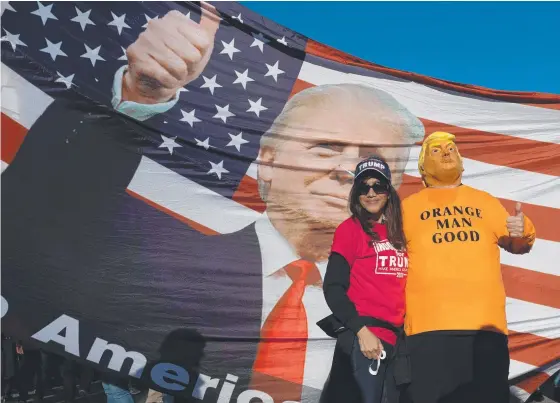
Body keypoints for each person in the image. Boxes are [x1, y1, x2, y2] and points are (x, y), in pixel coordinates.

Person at [1, 5, 424, 403]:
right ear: (268, 162)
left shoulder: (408, 292)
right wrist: (140, 96)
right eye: (327, 147)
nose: (350, 172)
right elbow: (36, 226)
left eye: (376, 162)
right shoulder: (159, 260)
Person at [400, 131, 536, 403]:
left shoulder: (484, 202)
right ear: (423, 167)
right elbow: (382, 262)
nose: (446, 152)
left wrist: (524, 229)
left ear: (462, 162)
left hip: (485, 331)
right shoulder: (405, 208)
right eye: (436, 150)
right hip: (427, 332)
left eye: (451, 148)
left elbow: (519, 244)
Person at [319, 156, 408, 403]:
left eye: (378, 186)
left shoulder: (402, 234)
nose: (371, 193)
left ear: (388, 192)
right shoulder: (351, 229)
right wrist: (361, 331)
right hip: (365, 339)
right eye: (363, 187)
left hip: (397, 344)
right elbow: (333, 287)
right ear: (356, 194)